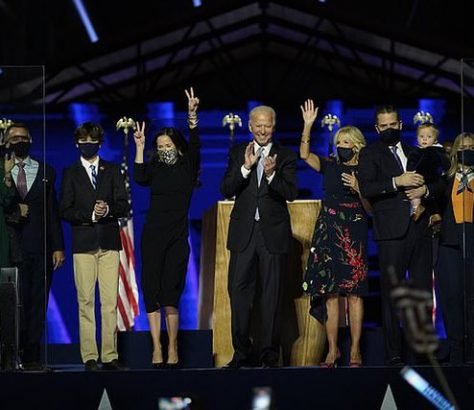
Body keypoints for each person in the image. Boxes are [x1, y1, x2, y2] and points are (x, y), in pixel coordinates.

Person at [358, 105, 443, 366]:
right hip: (390, 232)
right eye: (383, 126)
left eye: (392, 125)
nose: (388, 129)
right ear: (376, 128)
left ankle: (421, 353)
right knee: (392, 294)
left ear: (401, 124)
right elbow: (367, 187)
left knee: (422, 293)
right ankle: (394, 354)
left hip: (420, 228)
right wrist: (398, 181)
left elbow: (439, 182)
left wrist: (425, 191)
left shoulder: (415, 150)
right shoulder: (370, 153)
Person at [220, 105, 298, 368]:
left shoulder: (285, 155)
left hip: (272, 234)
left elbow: (291, 193)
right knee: (238, 292)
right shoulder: (237, 153)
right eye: (258, 125)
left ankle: (269, 354)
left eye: (267, 125)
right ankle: (241, 352)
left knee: (272, 295)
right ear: (250, 126)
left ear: (274, 126)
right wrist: (245, 167)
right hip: (244, 234)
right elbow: (226, 188)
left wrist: (272, 174)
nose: (263, 130)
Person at [133, 88, 200, 368]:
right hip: (153, 235)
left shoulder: (187, 167)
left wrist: (192, 117)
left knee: (171, 292)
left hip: (177, 237)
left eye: (168, 146)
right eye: (159, 147)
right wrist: (140, 147)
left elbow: (195, 145)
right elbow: (140, 177)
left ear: (177, 146)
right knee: (152, 290)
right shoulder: (155, 168)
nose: (164, 150)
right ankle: (156, 347)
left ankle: (173, 345)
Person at [300, 99, 370, 368]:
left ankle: (355, 350)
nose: (341, 146)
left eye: (346, 142)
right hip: (328, 229)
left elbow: (370, 209)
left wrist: (359, 187)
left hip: (353, 231)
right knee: (330, 293)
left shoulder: (365, 171)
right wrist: (308, 125)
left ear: (357, 145)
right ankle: (332, 350)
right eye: (338, 142)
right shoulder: (329, 165)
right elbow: (305, 155)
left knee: (354, 293)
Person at [60, 122, 129, 371]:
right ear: (76, 143)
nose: (87, 145)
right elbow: (64, 209)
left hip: (109, 243)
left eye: (92, 141)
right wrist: (90, 214)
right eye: (83, 141)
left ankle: (109, 356)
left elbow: (123, 205)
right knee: (85, 301)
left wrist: (108, 209)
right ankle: (89, 356)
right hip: (83, 244)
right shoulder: (70, 173)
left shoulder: (112, 170)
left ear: (99, 144)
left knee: (109, 303)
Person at [2, 123, 65, 371]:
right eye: (14, 138)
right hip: (8, 247)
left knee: (37, 302)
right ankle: (10, 355)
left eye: (24, 137)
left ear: (31, 140)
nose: (20, 141)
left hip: (38, 246)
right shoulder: (1, 170)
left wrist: (57, 246)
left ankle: (31, 357)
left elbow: (52, 212)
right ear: (6, 142)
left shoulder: (46, 171)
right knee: (12, 304)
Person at [435, 132, 474, 364]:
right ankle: (456, 349)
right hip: (449, 244)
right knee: (452, 297)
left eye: (471, 147)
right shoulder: (445, 178)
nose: (467, 151)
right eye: (463, 147)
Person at [407, 122, 450, 223]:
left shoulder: (437, 150)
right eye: (421, 136)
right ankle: (417, 208)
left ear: (435, 139)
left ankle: (432, 212)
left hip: (433, 179)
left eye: (429, 137)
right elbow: (410, 164)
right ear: (417, 138)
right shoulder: (416, 151)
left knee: (434, 196)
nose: (425, 139)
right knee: (411, 189)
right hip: (419, 178)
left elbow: (446, 165)